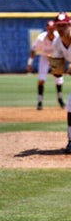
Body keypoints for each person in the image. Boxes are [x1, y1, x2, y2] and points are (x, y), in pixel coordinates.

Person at [27, 20, 64, 110]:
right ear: (47, 28)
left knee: (58, 80)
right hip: (45, 58)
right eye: (49, 28)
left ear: (54, 28)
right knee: (41, 79)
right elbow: (33, 50)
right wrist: (30, 63)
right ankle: (40, 101)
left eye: (52, 28)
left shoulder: (59, 37)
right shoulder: (41, 38)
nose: (51, 30)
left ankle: (60, 99)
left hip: (56, 58)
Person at [49, 12, 71, 152]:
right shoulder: (57, 41)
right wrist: (56, 71)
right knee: (70, 108)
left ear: (70, 25)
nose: (61, 29)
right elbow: (58, 64)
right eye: (58, 26)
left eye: (64, 25)